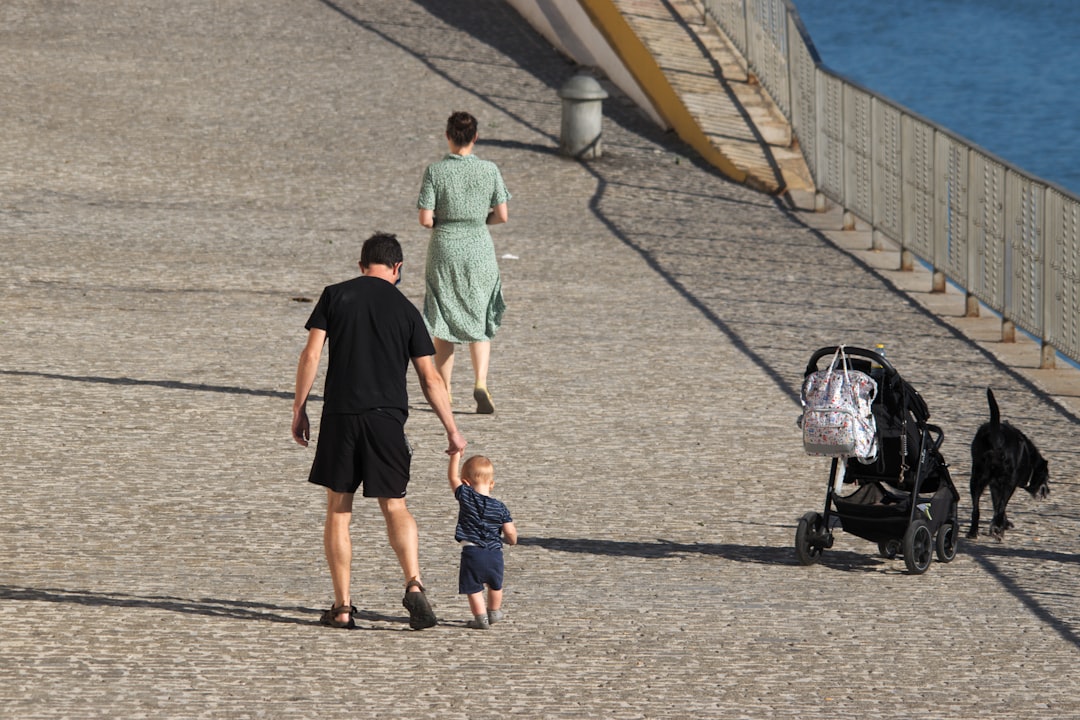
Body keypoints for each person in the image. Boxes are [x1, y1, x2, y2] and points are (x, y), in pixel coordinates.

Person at [292, 232, 466, 631]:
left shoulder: (335, 295)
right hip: (387, 420)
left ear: (361, 265)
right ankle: (414, 583)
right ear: (398, 268)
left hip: (341, 416)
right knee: (395, 505)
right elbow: (430, 378)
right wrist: (452, 430)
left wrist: (299, 408)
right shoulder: (407, 311)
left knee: (339, 510)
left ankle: (342, 607)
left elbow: (311, 354)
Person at [417, 110, 511, 414]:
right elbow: (502, 215)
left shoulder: (435, 172)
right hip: (479, 248)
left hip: (445, 247)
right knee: (479, 313)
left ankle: (444, 389)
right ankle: (481, 382)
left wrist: (445, 221)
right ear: (476, 138)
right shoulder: (489, 170)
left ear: (447, 136)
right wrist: (477, 220)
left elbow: (425, 219)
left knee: (444, 319)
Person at [447, 451, 517, 629]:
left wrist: (455, 455)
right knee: (495, 584)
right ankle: (494, 611)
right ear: (492, 484)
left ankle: (480, 618)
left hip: (472, 551)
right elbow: (510, 532)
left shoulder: (466, 496)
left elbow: (452, 477)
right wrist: (511, 540)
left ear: (465, 483)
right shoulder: (500, 507)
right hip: (495, 552)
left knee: (474, 588)